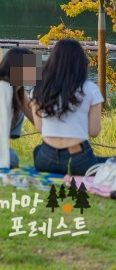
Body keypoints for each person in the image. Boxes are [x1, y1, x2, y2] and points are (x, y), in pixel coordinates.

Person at [31, 39, 111, 176]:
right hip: (79, 159)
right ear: (81, 63)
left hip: (46, 159)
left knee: (37, 150)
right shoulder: (90, 89)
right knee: (109, 161)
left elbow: (39, 128)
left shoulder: (38, 88)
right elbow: (94, 131)